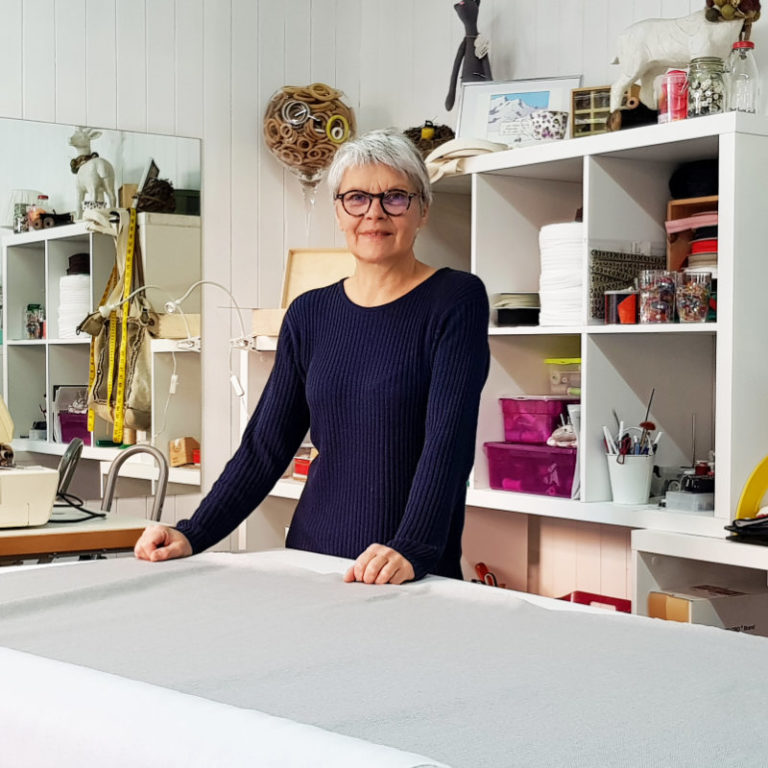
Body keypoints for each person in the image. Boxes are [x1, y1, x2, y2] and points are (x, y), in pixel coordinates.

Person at [134, 128, 490, 584]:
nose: (374, 214)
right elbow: (267, 444)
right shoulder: (310, 313)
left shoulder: (456, 300)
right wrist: (195, 531)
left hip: (404, 568)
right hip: (312, 558)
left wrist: (412, 546)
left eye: (395, 198)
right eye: (356, 198)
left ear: (422, 210)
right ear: (339, 211)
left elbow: (449, 442)